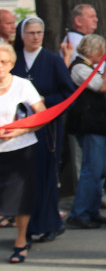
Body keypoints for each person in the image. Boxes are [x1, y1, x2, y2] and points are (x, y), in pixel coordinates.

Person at [11, 17, 75, 242]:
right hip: (16, 130)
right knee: (21, 179)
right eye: (31, 33)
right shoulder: (13, 60)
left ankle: (49, 223)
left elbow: (68, 95)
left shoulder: (52, 61)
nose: (36, 37)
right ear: (22, 35)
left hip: (46, 131)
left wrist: (43, 101)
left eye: (39, 32)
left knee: (44, 176)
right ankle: (25, 228)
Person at [65, 34, 106, 229]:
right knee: (91, 169)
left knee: (100, 170)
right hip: (89, 125)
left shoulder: (91, 67)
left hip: (100, 125)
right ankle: (79, 212)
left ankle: (92, 210)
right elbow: (102, 87)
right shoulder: (79, 67)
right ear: (94, 51)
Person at [0, 40, 46, 263]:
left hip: (20, 148)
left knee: (20, 197)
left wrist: (18, 132)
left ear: (11, 63)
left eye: (3, 61)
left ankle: (20, 240)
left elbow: (41, 115)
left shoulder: (22, 85)